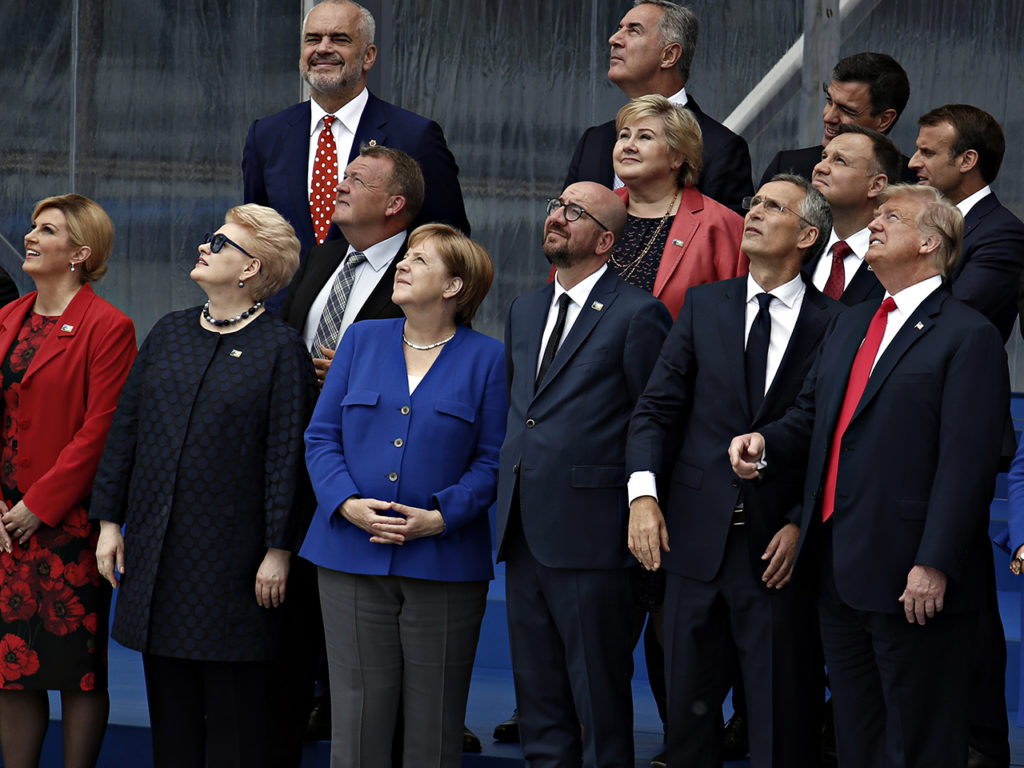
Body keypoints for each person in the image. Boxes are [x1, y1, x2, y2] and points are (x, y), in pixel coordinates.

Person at [730, 184, 1009, 768]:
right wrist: (766, 444)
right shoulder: (852, 322)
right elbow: (813, 416)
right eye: (876, 216)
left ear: (930, 241)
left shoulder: (967, 335)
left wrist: (933, 562)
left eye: (892, 217)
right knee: (855, 736)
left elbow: (968, 462)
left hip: (909, 572)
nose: (874, 225)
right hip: (835, 567)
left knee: (916, 741)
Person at [90, 204, 317, 768]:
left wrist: (278, 550)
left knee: (235, 721)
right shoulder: (169, 331)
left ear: (251, 269)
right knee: (170, 716)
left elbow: (288, 456)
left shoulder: (280, 347)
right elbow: (127, 432)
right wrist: (110, 523)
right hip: (161, 556)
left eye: (220, 243)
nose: (204, 247)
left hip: (236, 565)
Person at [627, 174, 838, 768]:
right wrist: (643, 497)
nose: (754, 211)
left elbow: (828, 433)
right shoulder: (704, 304)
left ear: (807, 234)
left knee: (779, 720)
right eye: (754, 202)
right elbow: (656, 409)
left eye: (773, 206)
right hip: (692, 543)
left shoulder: (837, 323)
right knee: (687, 723)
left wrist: (801, 522)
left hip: (776, 549)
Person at [300, 223, 505, 767]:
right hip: (348, 552)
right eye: (405, 257)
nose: (402, 265)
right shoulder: (362, 340)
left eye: (420, 260)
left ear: (454, 286)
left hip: (444, 560)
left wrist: (440, 518)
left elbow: (493, 461)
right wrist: (345, 502)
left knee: (434, 724)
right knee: (356, 716)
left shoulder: (489, 358)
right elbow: (321, 437)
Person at [496, 182, 672, 767]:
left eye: (575, 212)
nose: (557, 217)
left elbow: (652, 416)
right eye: (555, 205)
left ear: (604, 239)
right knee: (538, 700)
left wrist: (643, 500)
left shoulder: (640, 312)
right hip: (522, 526)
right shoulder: (524, 308)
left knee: (597, 701)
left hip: (592, 534)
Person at [0, 193, 136, 768]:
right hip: (5, 523)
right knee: (12, 667)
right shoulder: (6, 317)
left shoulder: (109, 327)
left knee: (75, 668)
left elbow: (99, 431)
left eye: (47, 230)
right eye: (32, 227)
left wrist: (40, 505)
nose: (30, 237)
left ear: (80, 253)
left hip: (69, 524)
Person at [909, 103, 1024, 768]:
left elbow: (953, 314)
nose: (914, 162)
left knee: (967, 593)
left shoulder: (1001, 234)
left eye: (927, 153)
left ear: (967, 161)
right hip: (903, 433)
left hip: (958, 432)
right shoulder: (919, 224)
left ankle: (982, 740)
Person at [243, 0, 469, 312]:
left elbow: (450, 246)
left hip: (380, 327)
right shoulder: (266, 135)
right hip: (282, 329)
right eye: (313, 39)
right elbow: (254, 236)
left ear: (369, 56)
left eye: (339, 39)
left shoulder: (415, 136)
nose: (323, 48)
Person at [566, 0, 753, 211]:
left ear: (669, 55)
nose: (613, 39)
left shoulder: (720, 148)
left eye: (634, 31)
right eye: (619, 29)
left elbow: (726, 237)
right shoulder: (594, 141)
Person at [611, 94, 746, 317]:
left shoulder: (722, 226)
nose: (629, 146)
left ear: (676, 157)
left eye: (645, 137)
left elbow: (732, 318)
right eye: (624, 136)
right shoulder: (593, 210)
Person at [760, 52, 916, 186]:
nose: (828, 117)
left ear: (884, 120)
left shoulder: (916, 185)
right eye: (829, 101)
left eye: (847, 110)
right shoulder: (789, 168)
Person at [808, 124, 900, 305]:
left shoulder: (898, 261)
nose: (820, 167)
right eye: (824, 157)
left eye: (840, 161)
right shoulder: (800, 243)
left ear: (876, 185)